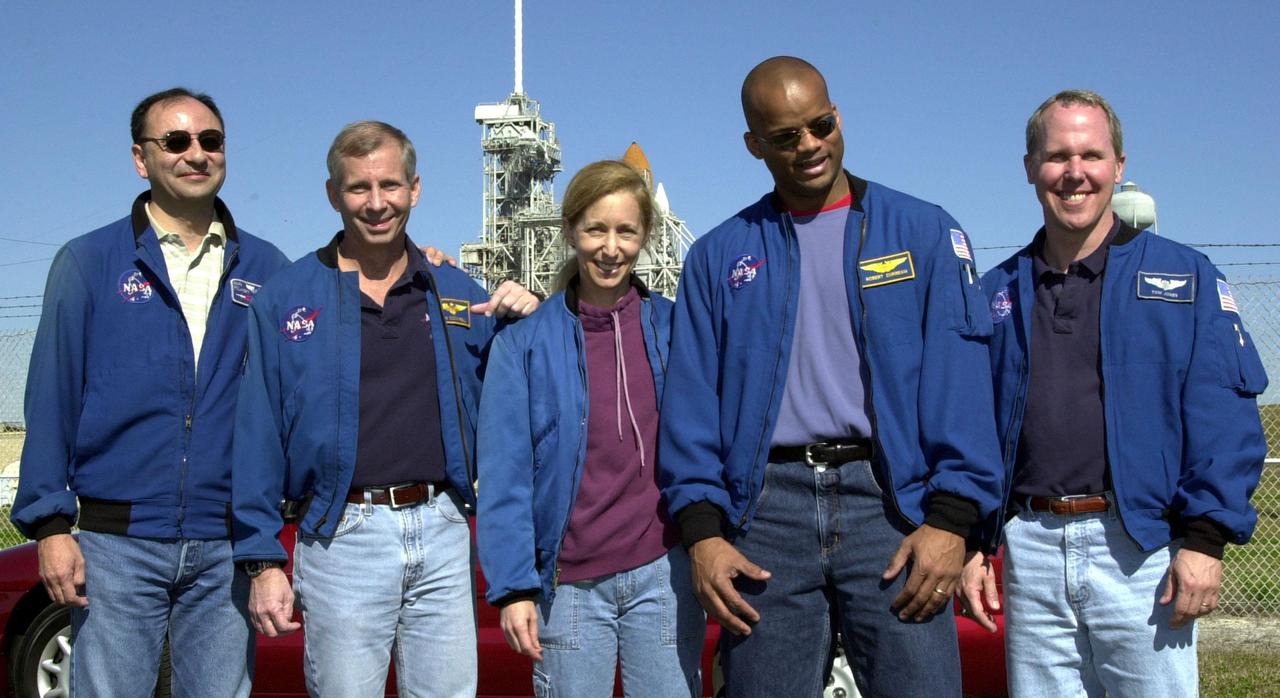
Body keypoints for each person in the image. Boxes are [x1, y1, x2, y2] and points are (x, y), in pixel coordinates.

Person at [657, 56, 1004, 697]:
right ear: (754, 145)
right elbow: (691, 409)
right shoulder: (719, 256)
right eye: (785, 136)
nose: (810, 145)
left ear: (837, 115)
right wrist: (703, 535)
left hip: (893, 508)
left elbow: (963, 387)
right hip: (767, 517)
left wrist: (952, 522)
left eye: (820, 124)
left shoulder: (923, 233)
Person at [961, 89, 1268, 696]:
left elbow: (1225, 419)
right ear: (1030, 167)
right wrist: (975, 541)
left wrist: (1205, 540)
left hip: (1142, 549)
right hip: (1031, 549)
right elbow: (972, 430)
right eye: (1057, 156)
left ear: (1119, 167)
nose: (1075, 173)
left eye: (1092, 156)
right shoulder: (996, 295)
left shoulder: (1184, 279)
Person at [230, 120, 538, 698]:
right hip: (341, 538)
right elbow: (257, 436)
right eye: (358, 189)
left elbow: (514, 400)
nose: (377, 204)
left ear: (414, 189)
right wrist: (261, 557)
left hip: (444, 531)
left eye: (391, 186)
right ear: (332, 194)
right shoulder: (288, 299)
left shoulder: (456, 290)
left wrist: (532, 316)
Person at [9, 87, 290, 696]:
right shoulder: (89, 262)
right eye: (176, 141)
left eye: (210, 141)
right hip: (117, 545)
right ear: (141, 158)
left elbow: (293, 399)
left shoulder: (268, 271)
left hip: (226, 547)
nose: (196, 154)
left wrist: (418, 263)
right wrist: (51, 524)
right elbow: (52, 397)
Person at [477, 160, 705, 696]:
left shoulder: (676, 329)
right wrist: (514, 589)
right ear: (570, 231)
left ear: (645, 235)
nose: (610, 247)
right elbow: (505, 474)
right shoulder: (522, 345)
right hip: (571, 584)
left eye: (626, 231)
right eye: (596, 229)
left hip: (663, 576)